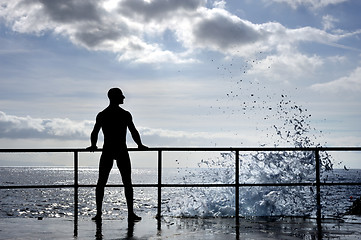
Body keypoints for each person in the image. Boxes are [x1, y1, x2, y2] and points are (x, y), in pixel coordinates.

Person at [87, 88, 147, 222]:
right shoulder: (124, 114)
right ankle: (130, 213)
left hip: (108, 150)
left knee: (101, 182)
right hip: (120, 150)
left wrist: (93, 145)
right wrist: (140, 145)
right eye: (121, 96)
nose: (124, 97)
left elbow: (95, 132)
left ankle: (99, 214)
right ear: (115, 97)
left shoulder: (103, 114)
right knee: (126, 183)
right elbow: (133, 131)